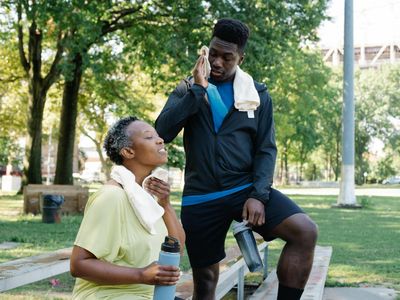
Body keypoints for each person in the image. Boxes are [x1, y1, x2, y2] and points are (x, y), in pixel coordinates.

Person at [155, 18, 318, 300]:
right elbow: (162, 132)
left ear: (240, 58)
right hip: (201, 196)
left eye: (226, 57)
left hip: (244, 190)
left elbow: (266, 149)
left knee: (305, 232)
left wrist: (258, 194)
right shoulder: (187, 87)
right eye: (213, 53)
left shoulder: (257, 94)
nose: (217, 62)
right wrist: (197, 89)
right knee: (205, 280)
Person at [70, 116, 185, 299]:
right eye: (148, 137)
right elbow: (79, 264)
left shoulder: (149, 196)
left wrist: (166, 204)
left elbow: (177, 249)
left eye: (157, 136)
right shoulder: (111, 197)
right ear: (129, 152)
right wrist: (141, 275)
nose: (160, 140)